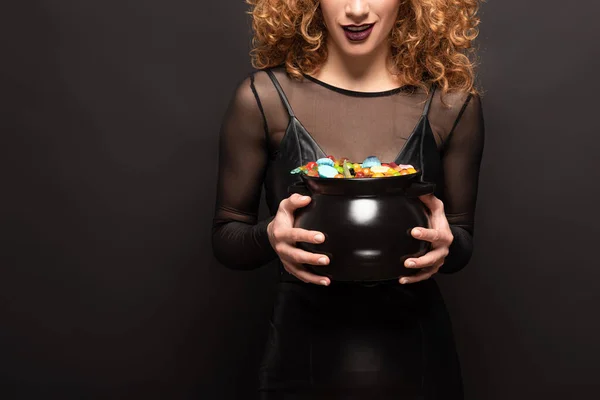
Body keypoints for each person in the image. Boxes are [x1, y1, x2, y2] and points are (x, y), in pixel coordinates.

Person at [212, 0, 485, 398]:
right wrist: (270, 236)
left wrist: (447, 244)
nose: (356, 9)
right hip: (299, 359)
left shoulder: (452, 104)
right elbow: (226, 237)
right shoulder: (262, 98)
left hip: (418, 362)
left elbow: (461, 244)